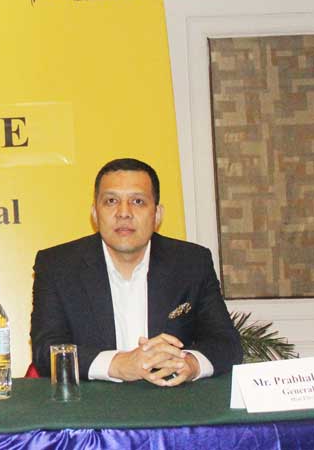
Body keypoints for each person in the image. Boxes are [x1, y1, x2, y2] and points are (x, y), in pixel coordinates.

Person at [31, 158, 242, 386]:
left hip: (170, 400)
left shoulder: (191, 263)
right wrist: (118, 364)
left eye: (138, 201)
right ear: (95, 213)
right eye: (111, 201)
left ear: (157, 214)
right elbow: (46, 352)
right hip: (92, 403)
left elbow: (226, 344)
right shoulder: (57, 266)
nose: (124, 213)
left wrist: (190, 364)